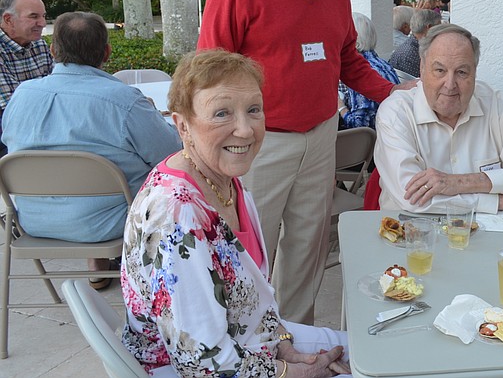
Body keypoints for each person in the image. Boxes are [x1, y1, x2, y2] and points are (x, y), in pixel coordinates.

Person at [197, 0, 408, 324]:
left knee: (308, 246)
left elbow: (347, 57)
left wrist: (394, 93)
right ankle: (247, 344)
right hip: (258, 140)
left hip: (321, 135)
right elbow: (211, 65)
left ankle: (295, 340)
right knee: (247, 246)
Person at [121, 50, 351, 378]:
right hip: (187, 370)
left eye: (253, 110)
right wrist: (294, 372)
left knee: (374, 355)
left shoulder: (226, 180)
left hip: (249, 345)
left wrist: (285, 343)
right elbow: (202, 364)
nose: (245, 130)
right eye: (222, 114)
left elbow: (258, 299)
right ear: (183, 125)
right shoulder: (177, 215)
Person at [3, 12, 180, 289]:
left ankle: (96, 262)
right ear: (107, 52)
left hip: (33, 221)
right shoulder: (125, 101)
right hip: (111, 224)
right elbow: (171, 153)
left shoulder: (22, 95)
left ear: (52, 51)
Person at [375, 24, 503, 214]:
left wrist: (459, 183)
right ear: (422, 68)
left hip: (488, 236)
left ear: (475, 72)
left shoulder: (497, 104)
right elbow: (412, 199)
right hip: (411, 235)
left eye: (461, 72)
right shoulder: (396, 113)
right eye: (440, 71)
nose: (450, 84)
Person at [0, 0, 53, 156]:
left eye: (43, 16)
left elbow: (60, 88)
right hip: (8, 140)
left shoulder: (39, 45)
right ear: (8, 19)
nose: (43, 23)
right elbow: (13, 109)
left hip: (44, 131)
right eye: (34, 16)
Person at [338, 13, 400, 129]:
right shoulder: (383, 64)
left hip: (373, 141)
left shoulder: (359, 71)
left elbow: (360, 126)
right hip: (392, 132)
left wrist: (340, 107)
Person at [388, 8, 441, 77]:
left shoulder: (411, 45)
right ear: (429, 28)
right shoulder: (413, 53)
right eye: (439, 27)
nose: (441, 31)